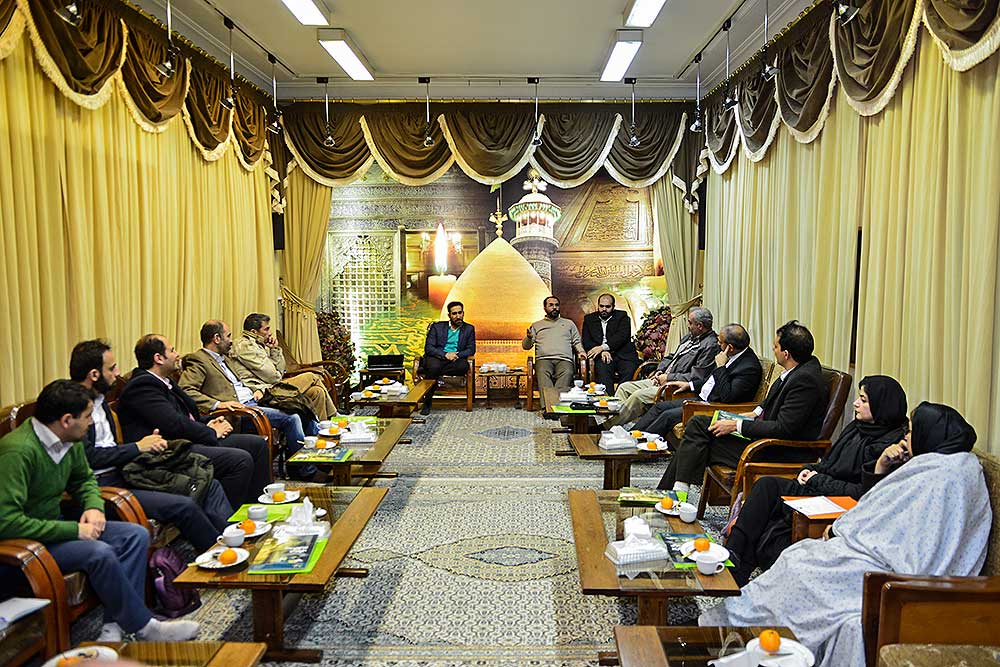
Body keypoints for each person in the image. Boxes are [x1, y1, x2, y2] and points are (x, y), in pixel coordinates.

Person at [700, 402, 988, 667]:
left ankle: (750, 634)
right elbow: (882, 508)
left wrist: (843, 528)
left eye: (912, 432)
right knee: (796, 556)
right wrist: (870, 479)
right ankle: (737, 627)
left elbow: (913, 539)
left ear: (929, 435)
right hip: (862, 537)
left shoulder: (944, 478)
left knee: (801, 567)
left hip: (889, 566)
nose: (906, 437)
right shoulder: (930, 464)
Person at [0, 380, 199, 642]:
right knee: (99, 552)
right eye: (87, 416)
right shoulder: (18, 452)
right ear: (67, 420)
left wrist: (93, 507)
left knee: (135, 535)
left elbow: (83, 480)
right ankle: (145, 628)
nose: (92, 422)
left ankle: (113, 627)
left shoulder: (67, 438)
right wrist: (75, 530)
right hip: (24, 544)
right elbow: (7, 523)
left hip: (54, 528)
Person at [725, 375, 908, 586]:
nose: (856, 403)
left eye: (863, 400)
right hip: (820, 489)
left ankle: (737, 567)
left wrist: (816, 479)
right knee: (767, 486)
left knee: (767, 511)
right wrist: (810, 469)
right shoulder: (857, 427)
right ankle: (733, 555)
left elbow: (860, 493)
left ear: (882, 406)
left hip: (838, 503)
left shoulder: (888, 449)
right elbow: (829, 463)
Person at [70, 339, 233, 552]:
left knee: (207, 481)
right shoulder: (74, 408)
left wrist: (149, 445)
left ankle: (235, 541)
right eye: (112, 368)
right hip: (103, 485)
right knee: (184, 506)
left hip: (129, 471)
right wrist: (138, 447)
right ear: (94, 374)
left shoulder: (100, 400)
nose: (118, 373)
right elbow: (89, 457)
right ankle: (221, 556)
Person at [658, 320, 828, 492]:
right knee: (698, 425)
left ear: (786, 354)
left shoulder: (805, 381)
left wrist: (736, 425)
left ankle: (673, 493)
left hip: (774, 450)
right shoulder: (798, 369)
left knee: (696, 443)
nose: (773, 349)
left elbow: (783, 428)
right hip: (762, 437)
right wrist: (749, 414)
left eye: (776, 346)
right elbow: (768, 402)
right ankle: (673, 492)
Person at [117, 334, 271, 507]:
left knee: (257, 444)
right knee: (240, 460)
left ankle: (259, 507)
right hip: (171, 451)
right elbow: (173, 424)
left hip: (190, 438)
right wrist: (211, 432)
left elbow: (187, 415)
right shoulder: (142, 386)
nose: (177, 355)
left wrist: (209, 422)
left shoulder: (164, 381)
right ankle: (231, 517)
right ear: (158, 358)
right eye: (172, 350)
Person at [180, 320, 317, 481]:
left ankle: (319, 458)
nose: (231, 340)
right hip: (241, 411)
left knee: (299, 406)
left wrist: (255, 390)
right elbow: (186, 390)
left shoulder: (225, 358)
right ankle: (308, 471)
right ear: (216, 338)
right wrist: (218, 404)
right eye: (228, 336)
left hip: (255, 400)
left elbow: (241, 383)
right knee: (291, 418)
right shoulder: (199, 360)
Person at [632, 324, 762, 438]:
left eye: (720, 342)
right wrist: (690, 385)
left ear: (730, 347)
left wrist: (721, 367)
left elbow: (727, 397)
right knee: (659, 407)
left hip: (715, 407)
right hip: (702, 399)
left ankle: (640, 445)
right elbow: (712, 381)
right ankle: (631, 436)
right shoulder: (732, 354)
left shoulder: (749, 367)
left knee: (667, 415)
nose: (718, 344)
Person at [608, 307, 720, 426]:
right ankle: (618, 424)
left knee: (638, 396)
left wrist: (668, 378)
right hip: (662, 378)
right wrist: (660, 370)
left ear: (700, 326)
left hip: (674, 386)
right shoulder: (689, 337)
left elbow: (696, 376)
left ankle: (608, 426)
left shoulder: (710, 345)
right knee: (624, 387)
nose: (688, 326)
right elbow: (671, 356)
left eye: (690, 323)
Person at [229, 313, 337, 422]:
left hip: (271, 385)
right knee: (311, 376)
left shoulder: (258, 344)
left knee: (317, 392)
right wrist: (277, 373)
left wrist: (274, 349)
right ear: (254, 332)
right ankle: (334, 415)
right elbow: (274, 377)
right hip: (264, 391)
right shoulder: (245, 346)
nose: (270, 333)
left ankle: (321, 428)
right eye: (266, 329)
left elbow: (280, 371)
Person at [420, 301, 476, 415]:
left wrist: (456, 355)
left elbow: (471, 349)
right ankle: (427, 402)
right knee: (434, 366)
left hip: (455, 360)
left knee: (463, 366)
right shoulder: (437, 327)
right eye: (454, 313)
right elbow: (429, 348)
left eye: (460, 313)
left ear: (463, 313)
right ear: (449, 315)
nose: (458, 316)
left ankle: (435, 378)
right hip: (438, 357)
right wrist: (445, 354)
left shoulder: (469, 328)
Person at [522, 296, 587, 391]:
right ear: (545, 308)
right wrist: (529, 337)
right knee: (542, 371)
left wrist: (581, 351)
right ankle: (549, 400)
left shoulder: (569, 324)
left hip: (564, 359)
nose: (554, 307)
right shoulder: (536, 325)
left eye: (556, 305)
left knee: (567, 372)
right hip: (544, 359)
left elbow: (576, 340)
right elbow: (526, 346)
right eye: (551, 305)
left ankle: (554, 399)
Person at [581, 293, 639, 392]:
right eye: (601, 306)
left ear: (613, 307)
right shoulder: (589, 319)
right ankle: (608, 398)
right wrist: (601, 351)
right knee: (603, 371)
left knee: (629, 371)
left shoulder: (622, 317)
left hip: (623, 355)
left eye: (608, 307)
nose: (604, 309)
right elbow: (587, 340)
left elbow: (622, 337)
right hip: (602, 356)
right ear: (598, 305)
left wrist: (602, 347)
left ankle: (621, 397)